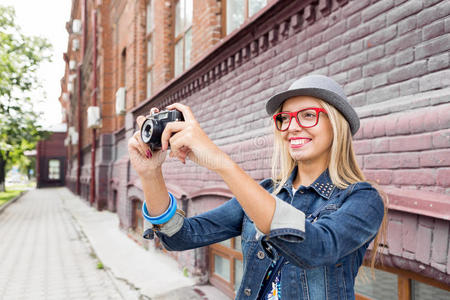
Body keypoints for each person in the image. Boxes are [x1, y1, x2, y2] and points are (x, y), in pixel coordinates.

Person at [128, 74, 387, 299]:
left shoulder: (362, 199)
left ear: (336, 125)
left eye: (308, 115)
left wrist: (221, 162)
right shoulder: (265, 192)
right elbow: (181, 236)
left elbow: (316, 248)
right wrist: (151, 175)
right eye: (285, 118)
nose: (292, 127)